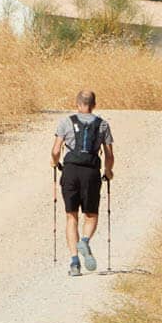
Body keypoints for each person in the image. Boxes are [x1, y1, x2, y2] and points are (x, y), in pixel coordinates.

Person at [51, 90, 114, 275]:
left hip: (70, 171)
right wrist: (108, 172)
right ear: (94, 105)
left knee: (71, 217)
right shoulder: (102, 124)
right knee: (91, 215)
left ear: (78, 104)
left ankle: (74, 263)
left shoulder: (66, 122)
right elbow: (109, 155)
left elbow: (55, 150)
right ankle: (85, 241)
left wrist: (55, 163)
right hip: (91, 173)